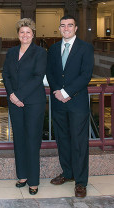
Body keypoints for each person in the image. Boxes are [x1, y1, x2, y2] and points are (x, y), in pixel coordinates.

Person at [46, 15, 94, 198]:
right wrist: (58, 91)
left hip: (77, 103)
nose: (66, 28)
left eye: (70, 25)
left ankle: (81, 182)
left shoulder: (85, 48)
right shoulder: (53, 49)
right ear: (59, 28)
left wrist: (67, 93)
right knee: (63, 140)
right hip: (58, 102)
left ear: (76, 28)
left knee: (79, 143)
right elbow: (49, 72)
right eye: (63, 25)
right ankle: (68, 173)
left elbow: (86, 74)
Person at [2, 18, 47, 195]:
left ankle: (34, 181)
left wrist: (19, 95)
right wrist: (12, 95)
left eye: (28, 32)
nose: (25, 35)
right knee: (19, 139)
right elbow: (5, 74)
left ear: (33, 34)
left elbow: (38, 77)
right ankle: (22, 176)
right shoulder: (12, 52)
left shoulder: (40, 52)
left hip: (33, 102)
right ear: (18, 34)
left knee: (32, 140)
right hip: (15, 103)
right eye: (22, 32)